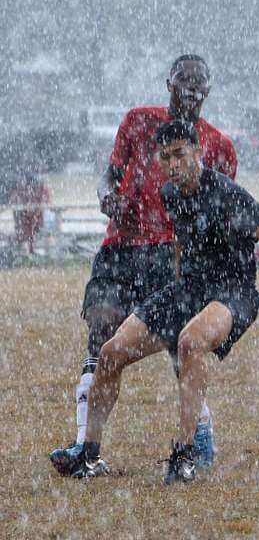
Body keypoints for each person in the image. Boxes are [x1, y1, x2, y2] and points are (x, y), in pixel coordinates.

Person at [65, 120, 259, 482]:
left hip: (233, 292)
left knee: (190, 341)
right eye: (166, 157)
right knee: (110, 352)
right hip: (189, 288)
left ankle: (182, 455)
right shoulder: (170, 193)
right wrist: (172, 291)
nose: (173, 164)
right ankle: (88, 456)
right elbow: (184, 245)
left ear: (198, 153)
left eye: (180, 154)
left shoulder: (225, 192)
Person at [49, 54, 236, 474]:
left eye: (199, 88)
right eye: (183, 85)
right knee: (100, 332)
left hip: (170, 255)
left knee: (180, 347)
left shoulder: (219, 145)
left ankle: (199, 441)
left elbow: (223, 208)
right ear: (168, 84)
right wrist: (107, 196)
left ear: (207, 93)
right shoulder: (138, 121)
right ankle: (85, 449)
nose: (191, 94)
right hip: (122, 247)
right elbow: (109, 176)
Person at [9, 170, 51, 255]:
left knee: (30, 228)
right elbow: (14, 201)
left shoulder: (41, 190)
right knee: (26, 228)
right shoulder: (22, 190)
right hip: (26, 219)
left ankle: (25, 248)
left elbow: (45, 202)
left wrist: (35, 211)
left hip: (36, 219)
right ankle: (23, 248)